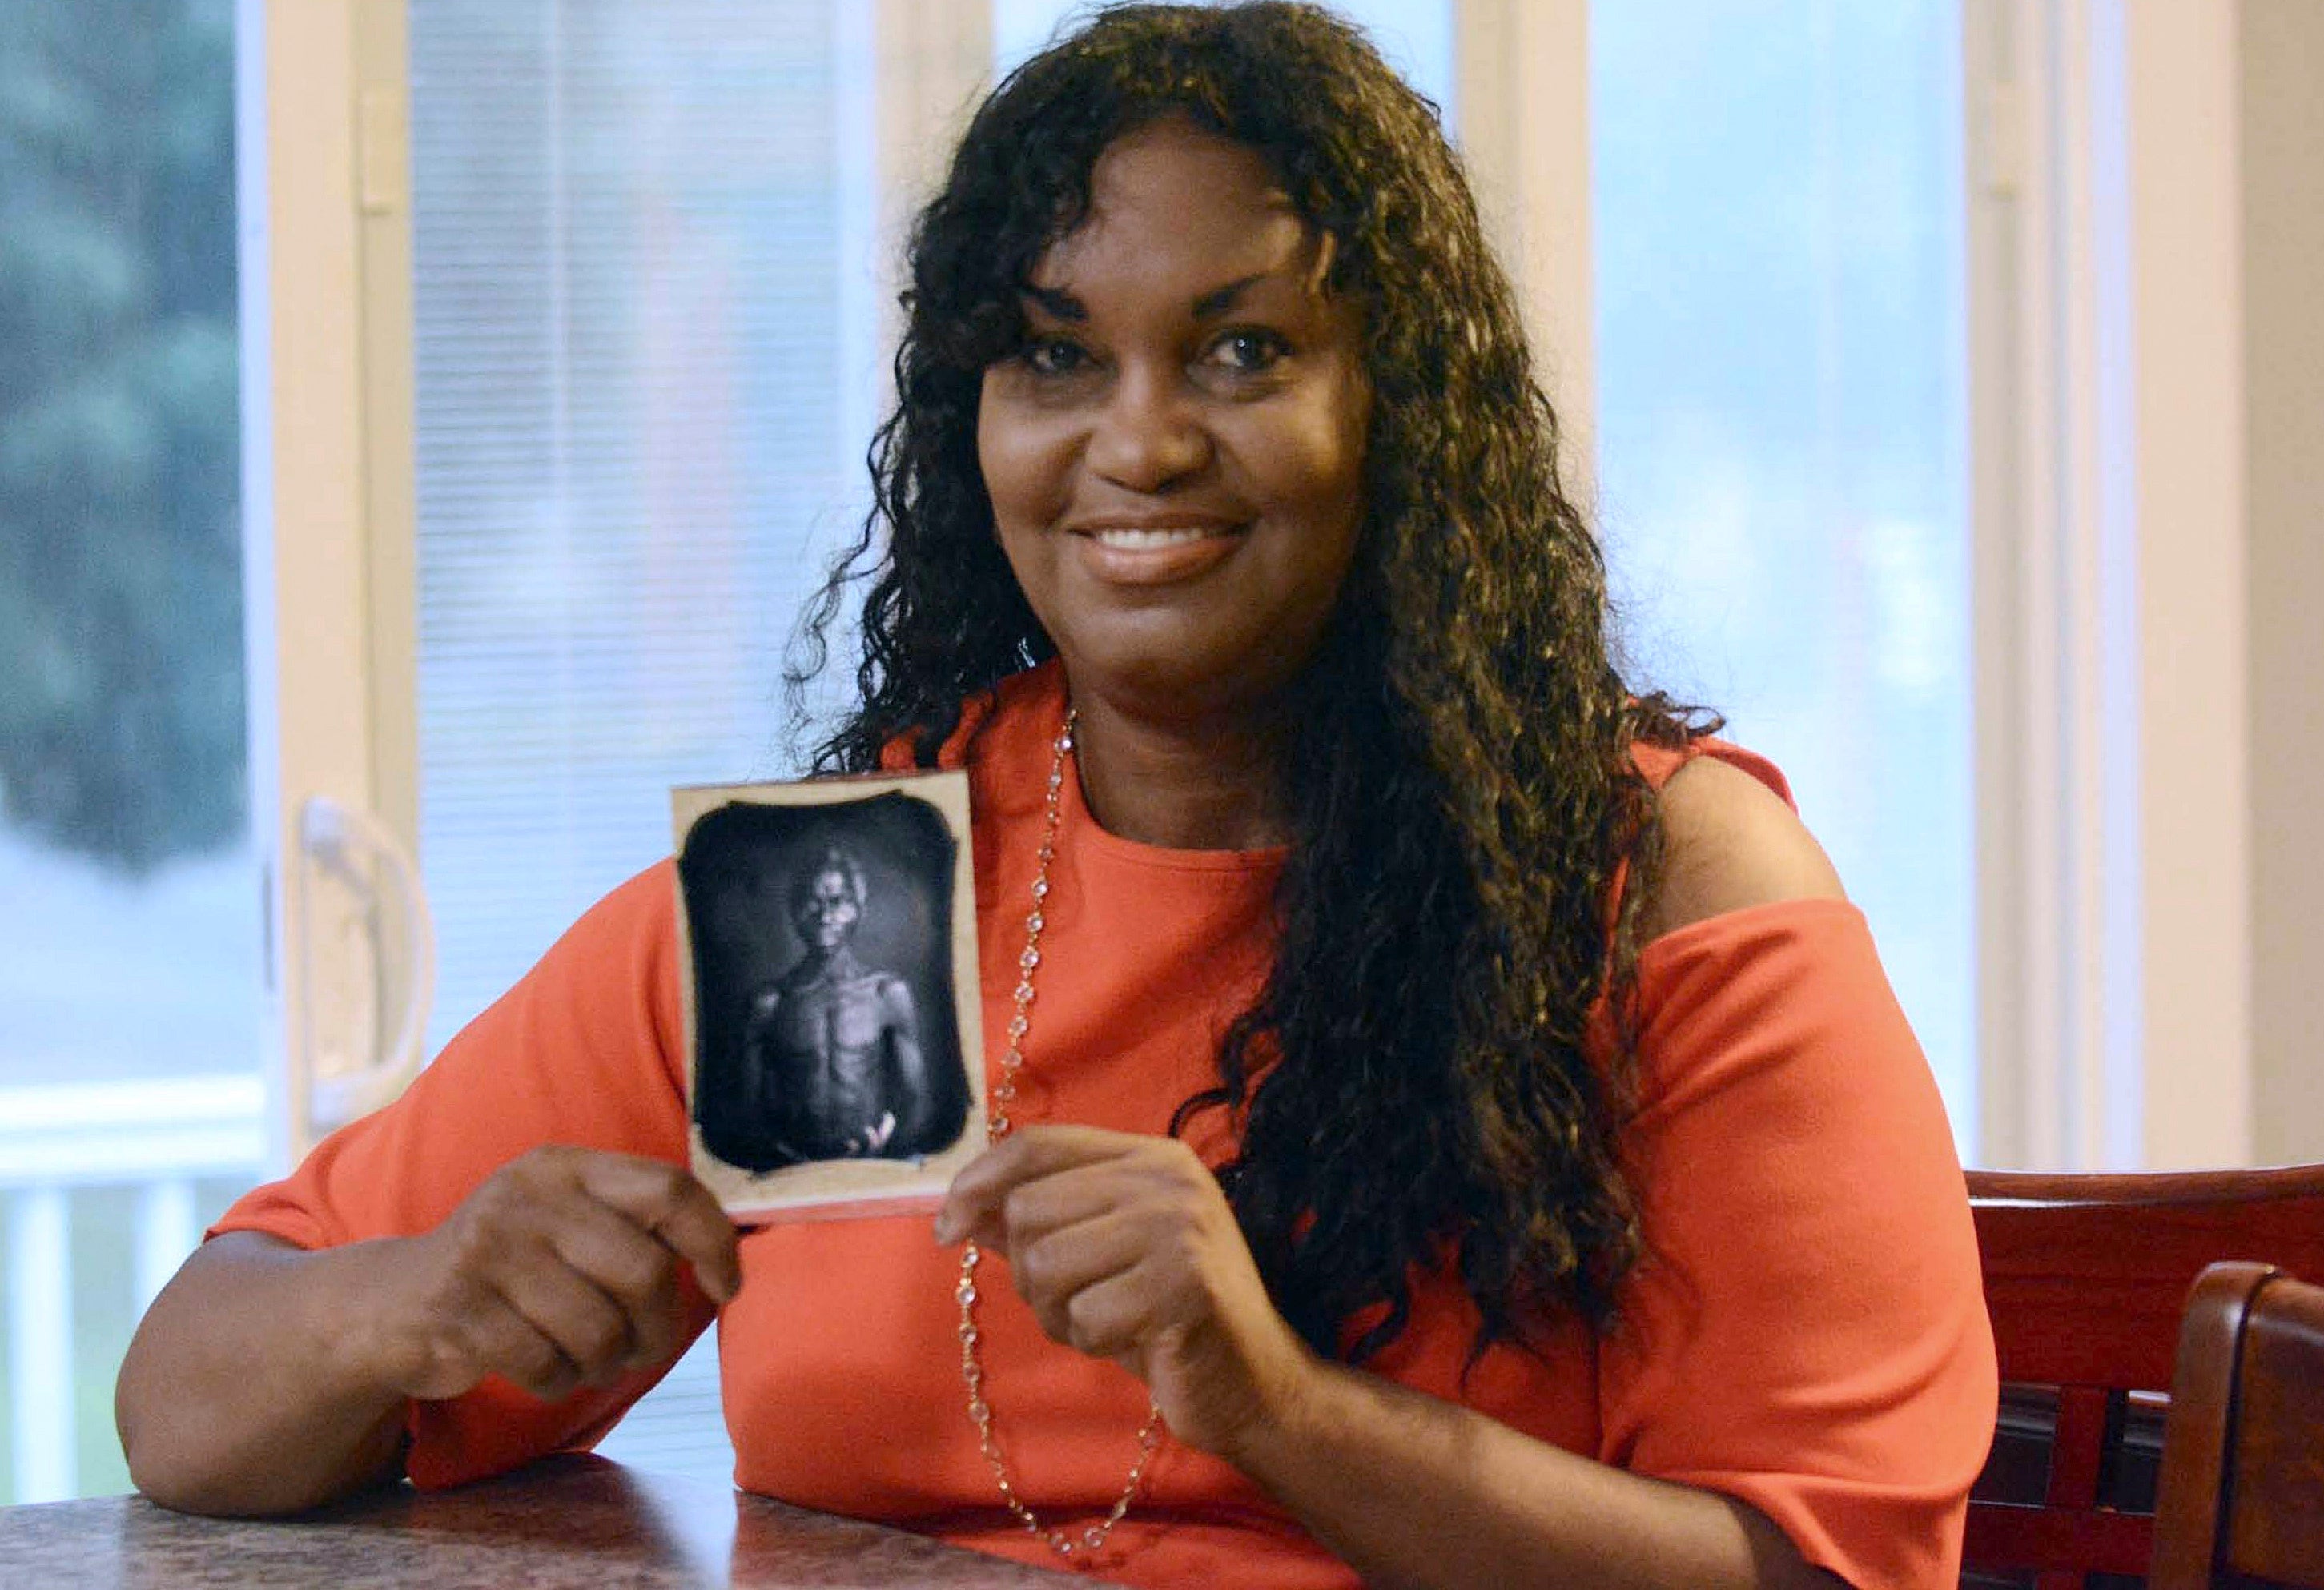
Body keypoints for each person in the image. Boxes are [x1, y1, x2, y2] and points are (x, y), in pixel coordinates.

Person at [115, 6, 1996, 1587]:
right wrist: (416, 1297)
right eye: (1052, 355)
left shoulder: (1659, 881)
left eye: (1242, 348)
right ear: (974, 425)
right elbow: (185, 1387)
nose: (1138, 437)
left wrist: (1270, 1398)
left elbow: (1818, 1561)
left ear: (1398, 411)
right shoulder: (846, 892)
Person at [738, 845, 929, 1163]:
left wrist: (888, 1141)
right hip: (790, 1168)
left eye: (838, 902)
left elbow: (914, 1096)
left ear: (859, 908)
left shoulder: (887, 994)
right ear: (795, 910)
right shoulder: (770, 1003)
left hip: (877, 1162)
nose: (825, 916)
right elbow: (746, 1106)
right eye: (813, 903)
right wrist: (782, 1154)